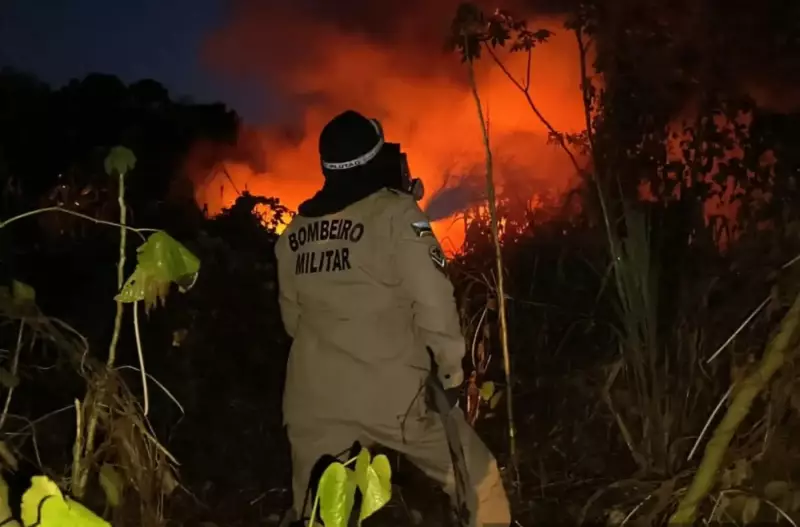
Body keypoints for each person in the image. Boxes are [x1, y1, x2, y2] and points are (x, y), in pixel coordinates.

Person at [274, 110, 511, 526]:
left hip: (312, 399)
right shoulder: (397, 215)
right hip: (391, 398)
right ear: (375, 158)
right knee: (479, 479)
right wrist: (453, 373)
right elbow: (434, 298)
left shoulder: (294, 233)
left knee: (318, 511)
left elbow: (292, 319)